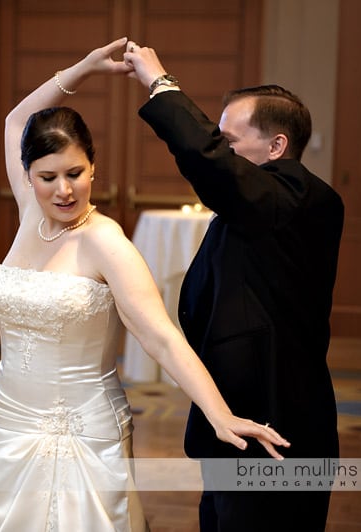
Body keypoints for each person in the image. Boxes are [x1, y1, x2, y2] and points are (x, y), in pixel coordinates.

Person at [0, 37, 289, 532]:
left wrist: (219, 413)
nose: (63, 190)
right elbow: (12, 121)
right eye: (48, 177)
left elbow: (159, 334)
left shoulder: (105, 241)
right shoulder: (30, 214)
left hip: (80, 429)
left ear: (94, 168)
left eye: (76, 173)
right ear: (27, 176)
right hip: (5, 418)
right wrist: (83, 69)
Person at [124, 41, 344, 531]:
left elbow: (211, 165)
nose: (220, 150)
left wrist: (161, 84)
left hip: (278, 428)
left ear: (277, 147)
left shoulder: (304, 197)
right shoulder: (257, 204)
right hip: (238, 421)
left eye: (229, 140)